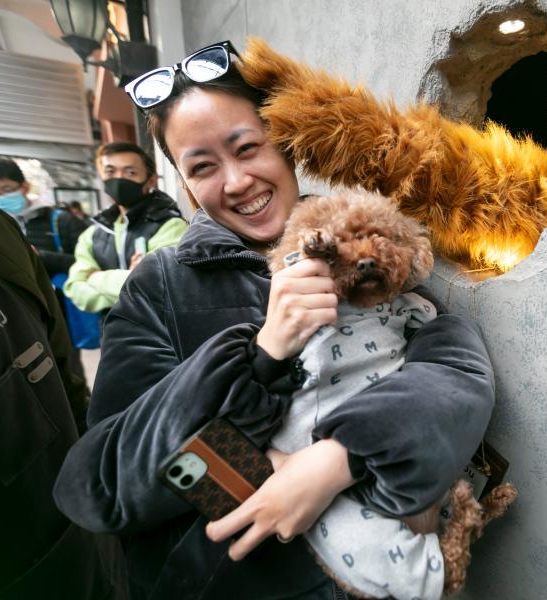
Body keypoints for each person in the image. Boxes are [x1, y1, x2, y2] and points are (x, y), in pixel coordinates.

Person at [53, 40, 495, 599]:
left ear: (285, 141)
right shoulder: (161, 285)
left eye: (247, 148)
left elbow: (454, 374)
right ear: (185, 185)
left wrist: (340, 459)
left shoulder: (358, 234)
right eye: (203, 166)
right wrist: (263, 356)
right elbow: (101, 482)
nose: (237, 181)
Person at [0, 144, 126, 598]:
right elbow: (86, 284)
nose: (117, 180)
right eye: (110, 170)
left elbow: (63, 355)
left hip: (57, 511)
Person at [63, 142, 187, 315]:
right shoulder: (94, 233)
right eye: (110, 172)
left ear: (151, 181)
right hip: (111, 330)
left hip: (159, 329)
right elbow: (75, 290)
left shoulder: (169, 225)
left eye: (130, 173)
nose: (119, 179)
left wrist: (95, 278)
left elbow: (159, 288)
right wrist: (130, 279)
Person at [0, 156, 89, 278]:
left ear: (25, 187)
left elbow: (91, 262)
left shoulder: (63, 220)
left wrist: (39, 256)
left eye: (7, 189)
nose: (1, 197)